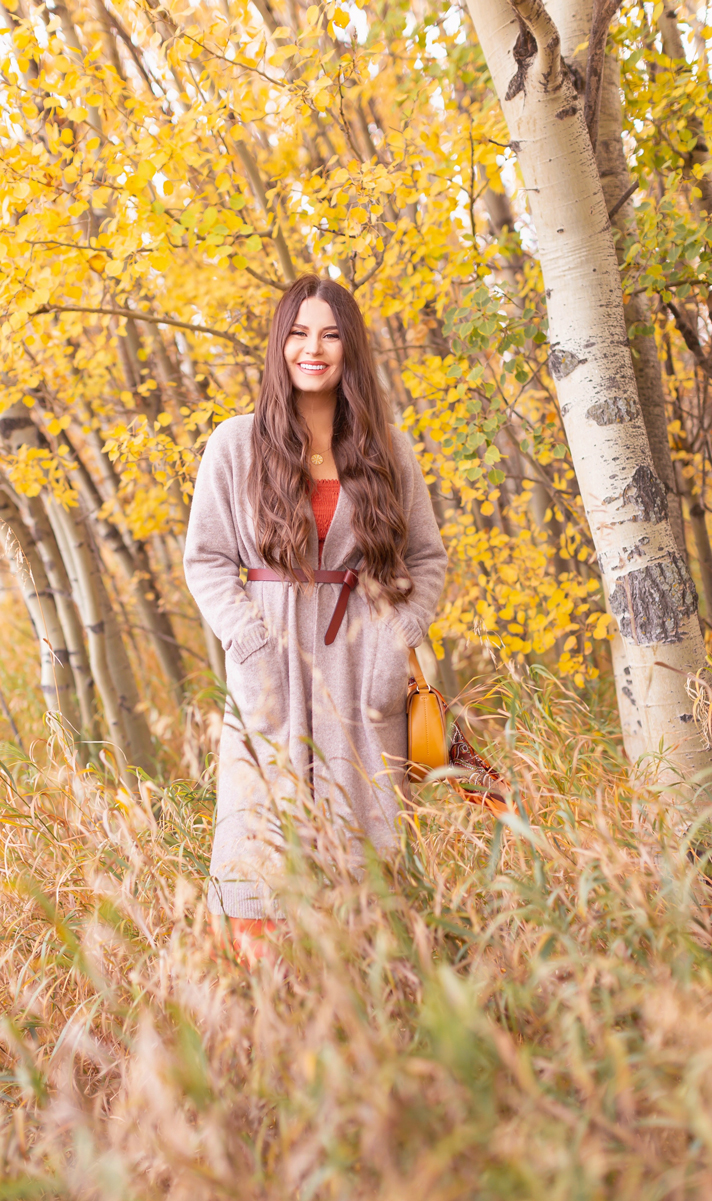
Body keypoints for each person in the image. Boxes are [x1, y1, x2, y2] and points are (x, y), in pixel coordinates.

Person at [183, 274, 448, 953]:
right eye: (299, 332)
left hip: (363, 674)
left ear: (350, 349)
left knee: (369, 875)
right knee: (260, 852)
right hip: (270, 664)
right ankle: (271, 1026)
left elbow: (427, 560)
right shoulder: (235, 444)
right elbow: (206, 559)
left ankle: (368, 1023)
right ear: (279, 345)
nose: (314, 348)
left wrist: (396, 641)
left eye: (331, 334)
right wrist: (248, 643)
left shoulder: (389, 448)